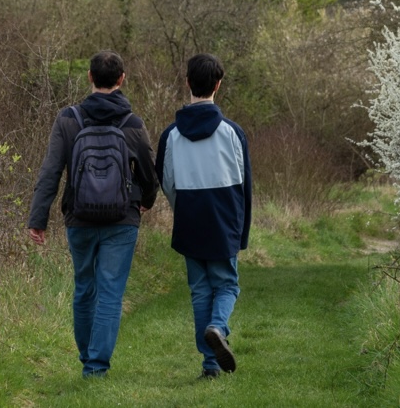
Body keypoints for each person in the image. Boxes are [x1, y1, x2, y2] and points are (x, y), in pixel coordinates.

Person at [27, 50, 157, 378]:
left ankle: (88, 357)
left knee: (84, 286)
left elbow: (51, 171)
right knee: (110, 291)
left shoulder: (68, 119)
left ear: (89, 77)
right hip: (122, 220)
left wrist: (37, 219)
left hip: (79, 219)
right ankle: (96, 367)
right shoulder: (132, 123)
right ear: (121, 79)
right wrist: (146, 200)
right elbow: (148, 172)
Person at [155, 53, 252, 379]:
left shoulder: (171, 135)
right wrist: (242, 230)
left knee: (200, 289)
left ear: (187, 83)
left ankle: (210, 365)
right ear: (218, 85)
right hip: (224, 219)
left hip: (190, 219)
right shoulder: (233, 133)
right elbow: (244, 185)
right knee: (226, 285)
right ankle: (217, 326)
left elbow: (166, 181)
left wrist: (181, 208)